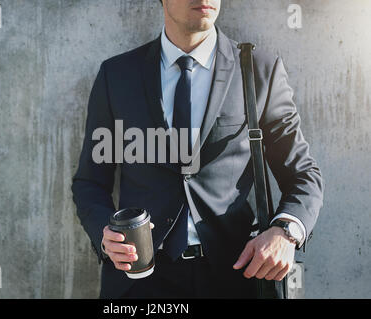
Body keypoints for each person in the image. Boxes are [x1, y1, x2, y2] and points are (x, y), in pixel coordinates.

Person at [71, 0, 324, 298]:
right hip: (139, 279)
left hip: (236, 274)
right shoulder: (117, 75)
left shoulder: (259, 70)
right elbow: (90, 181)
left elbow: (303, 173)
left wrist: (285, 232)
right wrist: (106, 234)